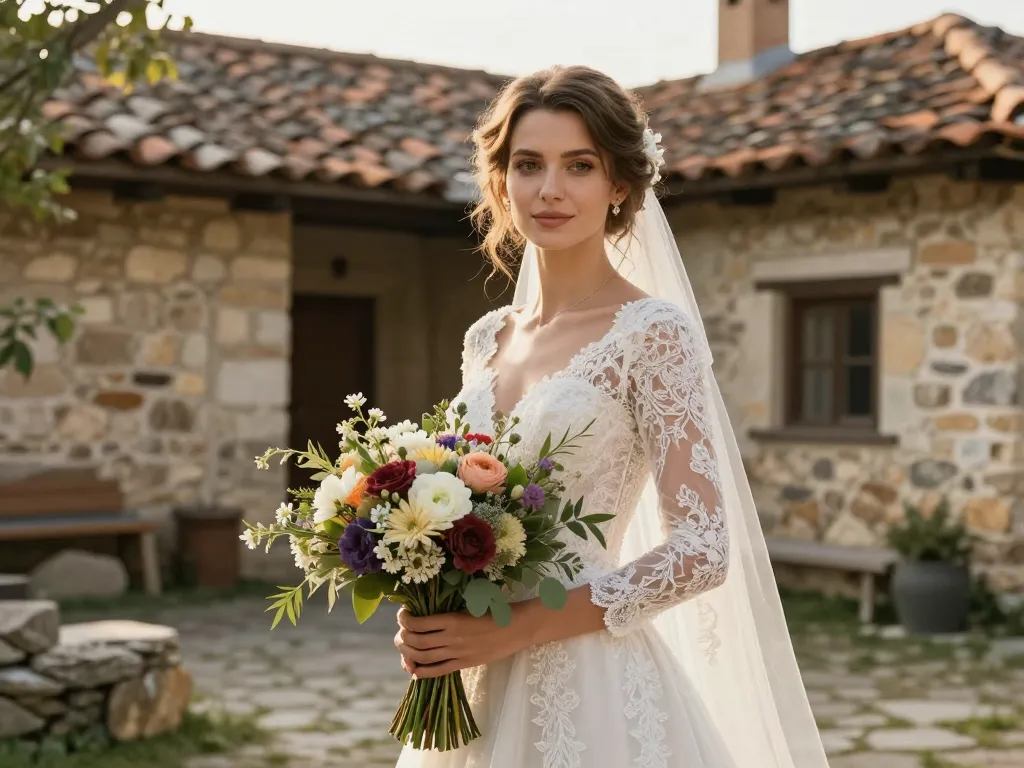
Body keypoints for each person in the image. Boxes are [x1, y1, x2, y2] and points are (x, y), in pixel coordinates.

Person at [392, 65, 829, 768]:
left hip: (589, 684)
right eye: (527, 164)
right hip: (474, 679)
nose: (550, 189)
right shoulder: (486, 338)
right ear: (501, 180)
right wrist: (428, 603)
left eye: (579, 165)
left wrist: (518, 629)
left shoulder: (653, 334)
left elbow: (702, 550)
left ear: (619, 184)